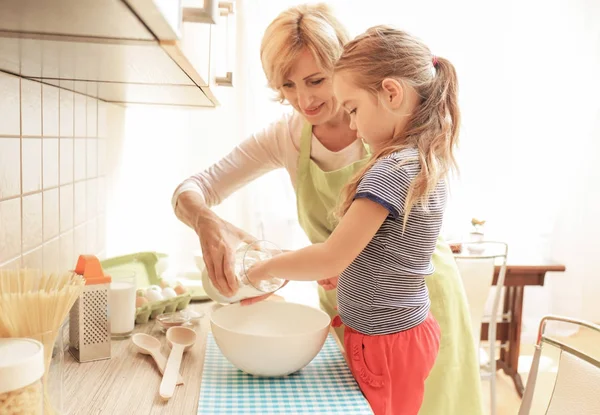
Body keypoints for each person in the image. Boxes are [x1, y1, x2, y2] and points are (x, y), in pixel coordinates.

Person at [172, 4, 483, 415]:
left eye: (317, 80)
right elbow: (192, 189)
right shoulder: (287, 138)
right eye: (287, 85)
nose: (304, 99)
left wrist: (266, 267)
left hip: (413, 303)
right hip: (356, 307)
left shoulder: (384, 137)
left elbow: (352, 247)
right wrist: (207, 221)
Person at [246, 24, 458, 415]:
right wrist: (351, 270)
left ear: (391, 93)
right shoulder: (420, 159)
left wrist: (264, 269)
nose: (354, 125)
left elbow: (330, 255)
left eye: (354, 110)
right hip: (400, 335)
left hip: (386, 342)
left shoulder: (392, 168)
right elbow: (391, 249)